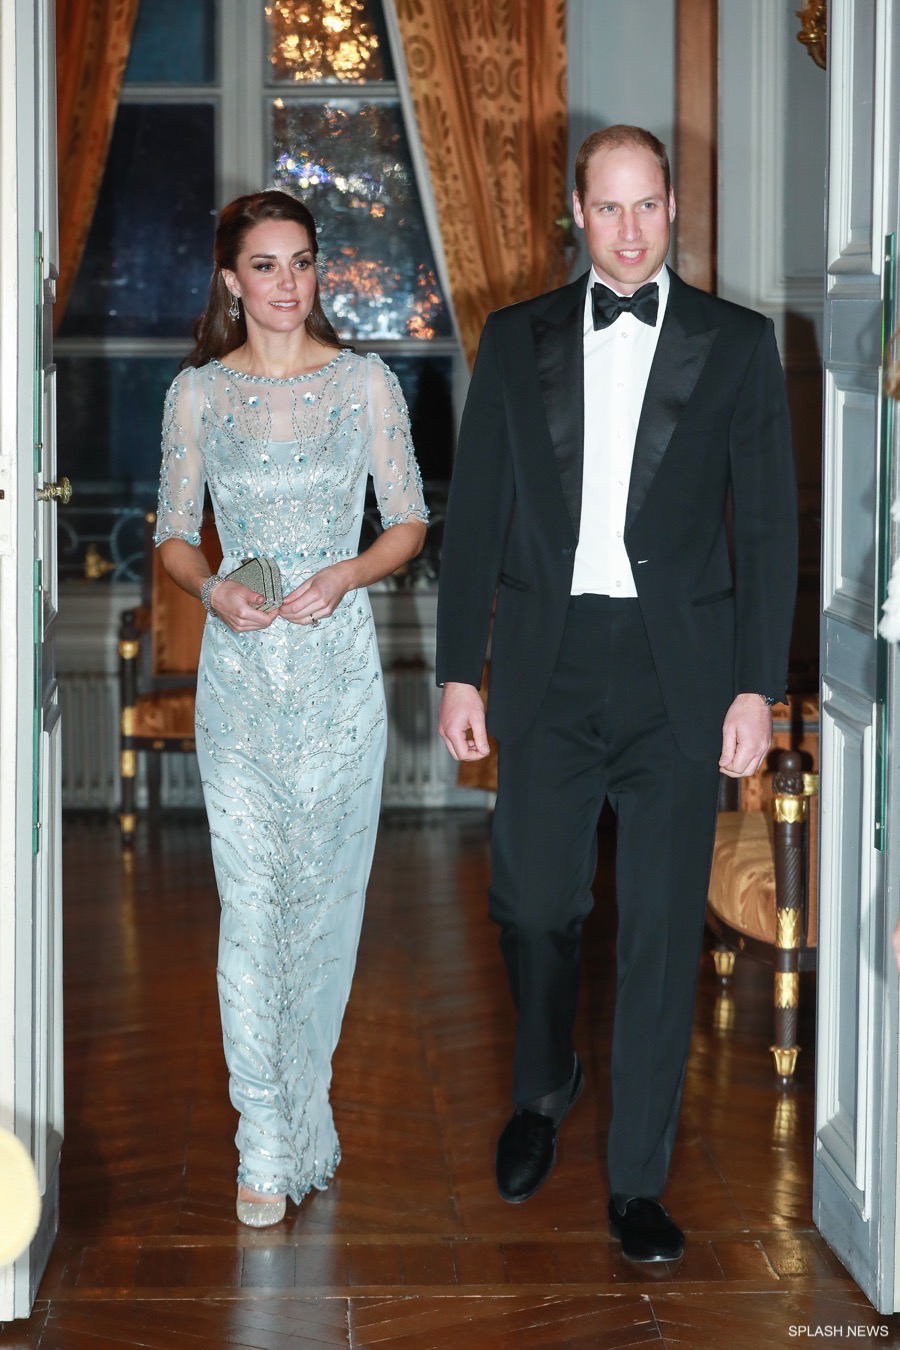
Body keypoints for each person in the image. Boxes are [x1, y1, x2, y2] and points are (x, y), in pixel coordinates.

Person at [436, 126, 797, 1262]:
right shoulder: (516, 338)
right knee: (533, 909)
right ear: (576, 214)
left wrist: (757, 686)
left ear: (674, 207)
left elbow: (771, 527)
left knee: (654, 935)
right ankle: (544, 1085)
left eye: (649, 207)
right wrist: (459, 667)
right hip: (547, 661)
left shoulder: (738, 345)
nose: (631, 230)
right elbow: (478, 513)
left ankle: (637, 1179)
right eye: (610, 208)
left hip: (676, 675)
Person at [155, 190, 428, 1227]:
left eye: (301, 263)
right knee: (251, 913)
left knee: (322, 915)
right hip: (239, 683)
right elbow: (176, 535)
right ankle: (262, 1142)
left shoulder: (364, 384)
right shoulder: (196, 397)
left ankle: (304, 1115)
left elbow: (407, 521)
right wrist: (213, 588)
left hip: (338, 677)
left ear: (319, 271)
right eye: (264, 266)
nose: (285, 284)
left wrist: (349, 573)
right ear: (231, 279)